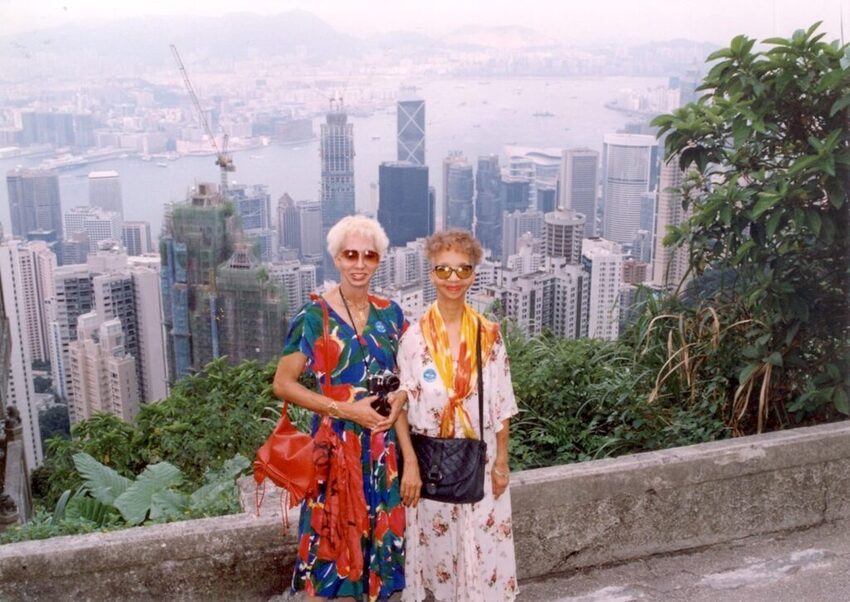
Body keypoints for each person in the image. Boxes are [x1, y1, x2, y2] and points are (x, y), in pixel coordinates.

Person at [272, 215, 416, 602]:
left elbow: (407, 381)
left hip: (383, 454)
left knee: (379, 558)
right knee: (327, 554)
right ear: (336, 258)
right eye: (350, 254)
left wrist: (410, 456)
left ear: (378, 261)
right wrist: (347, 410)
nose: (359, 263)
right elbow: (282, 384)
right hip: (334, 452)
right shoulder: (313, 316)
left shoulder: (392, 314)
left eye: (368, 255)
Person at [397, 229, 519, 602]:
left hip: (478, 464)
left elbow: (501, 404)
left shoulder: (488, 334)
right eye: (443, 270)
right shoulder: (413, 338)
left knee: (484, 558)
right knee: (440, 560)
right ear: (431, 273)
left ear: (474, 273)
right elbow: (400, 405)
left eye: (462, 270)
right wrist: (410, 465)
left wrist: (502, 462)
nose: (453, 279)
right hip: (432, 466)